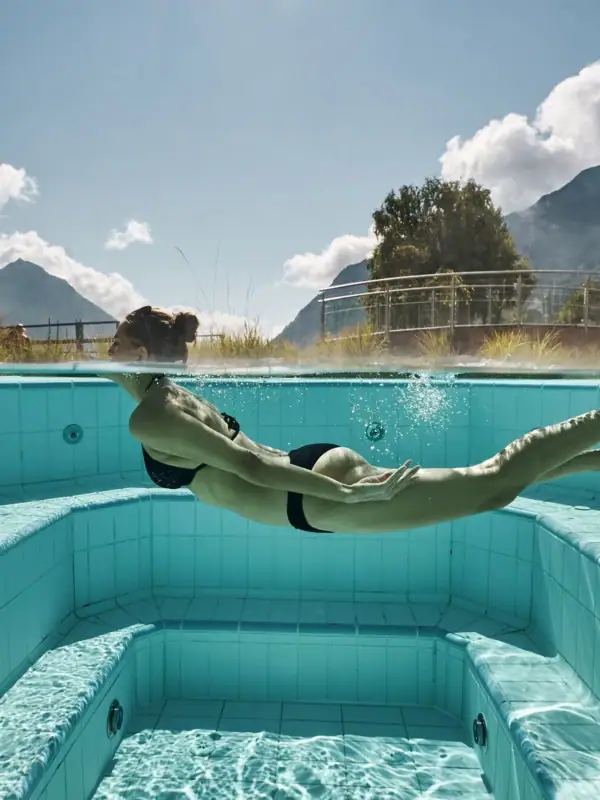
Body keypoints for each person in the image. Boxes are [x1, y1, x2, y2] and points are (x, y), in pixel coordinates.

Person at [108, 305, 600, 534]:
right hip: (310, 475)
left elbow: (249, 468)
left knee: (491, 483)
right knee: (485, 493)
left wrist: (346, 494)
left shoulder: (152, 418)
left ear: (143, 353)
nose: (106, 350)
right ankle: (590, 460)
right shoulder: (173, 395)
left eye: (116, 343)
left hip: (314, 497)